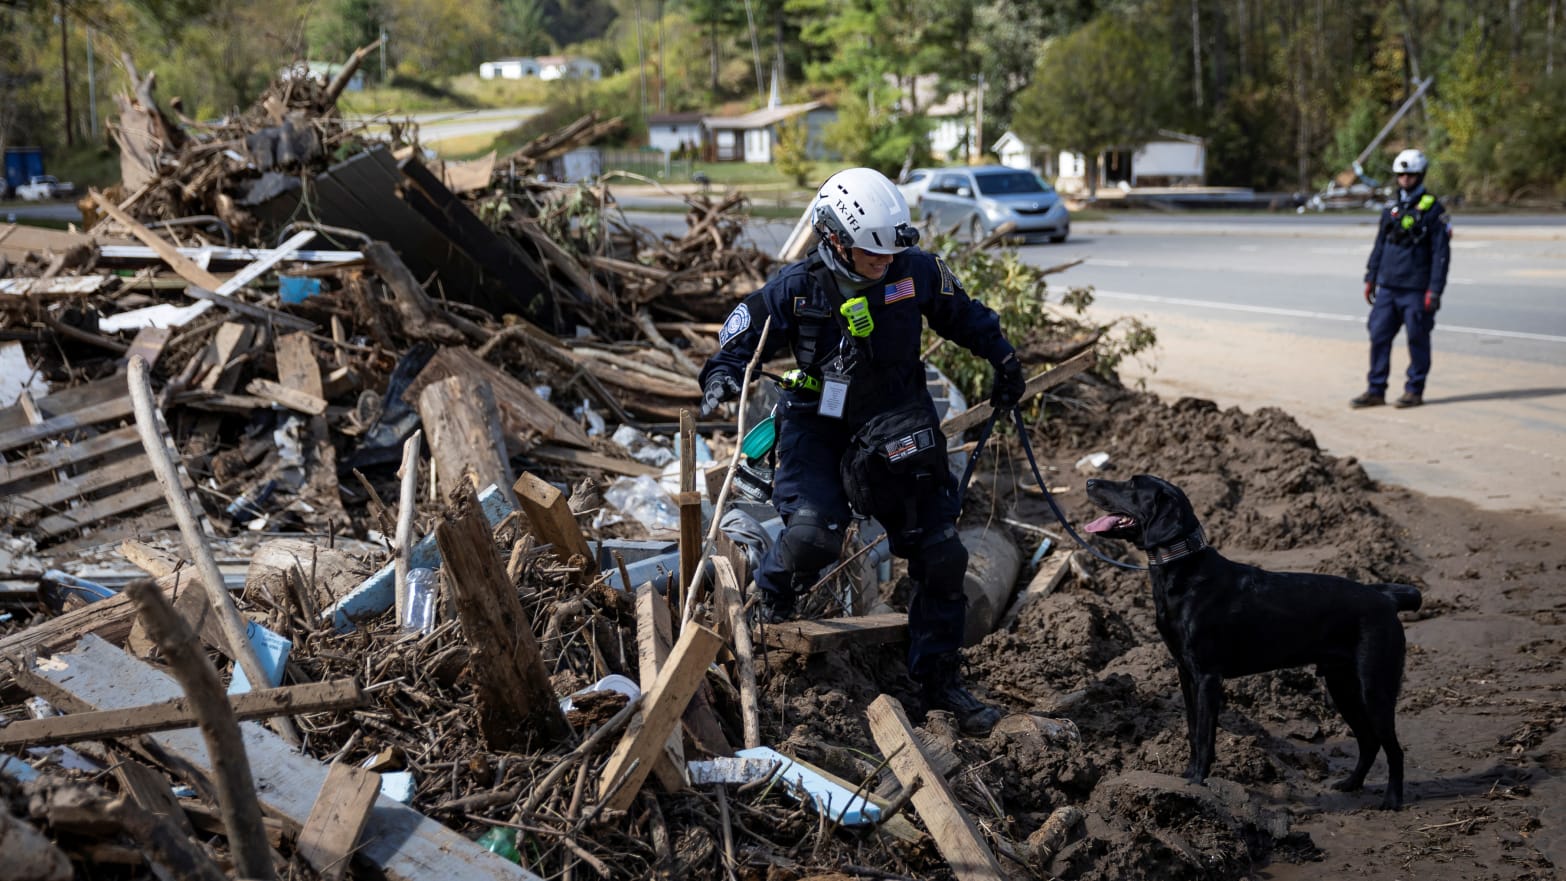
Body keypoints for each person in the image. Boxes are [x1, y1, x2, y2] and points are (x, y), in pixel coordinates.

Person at [698, 167, 1025, 735]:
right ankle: (770, 602)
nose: (883, 264)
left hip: (897, 419)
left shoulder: (912, 270)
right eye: (870, 255)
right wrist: (722, 378)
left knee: (941, 555)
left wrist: (1003, 357)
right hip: (818, 426)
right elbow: (734, 341)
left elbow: (964, 314)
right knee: (810, 536)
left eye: (889, 255)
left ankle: (939, 683)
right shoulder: (795, 289)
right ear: (832, 238)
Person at [1353, 148, 1452, 409]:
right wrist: (1371, 276)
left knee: (1417, 339)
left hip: (1417, 289)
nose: (1405, 180)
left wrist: (1435, 290)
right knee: (1378, 335)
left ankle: (1414, 390)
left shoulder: (1433, 210)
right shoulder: (1391, 208)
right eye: (1401, 175)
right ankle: (1375, 390)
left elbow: (1441, 254)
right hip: (1388, 287)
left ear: (1420, 175)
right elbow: (1379, 245)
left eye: (1410, 175)